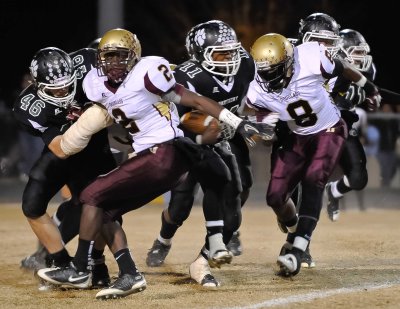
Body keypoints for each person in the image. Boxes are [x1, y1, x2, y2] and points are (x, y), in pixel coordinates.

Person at [36, 28, 272, 299]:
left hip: (164, 153)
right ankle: (129, 274)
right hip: (152, 158)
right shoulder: (94, 83)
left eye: (120, 56)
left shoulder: (148, 72)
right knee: (104, 211)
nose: (113, 62)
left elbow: (193, 99)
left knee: (90, 194)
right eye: (108, 56)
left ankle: (79, 269)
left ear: (134, 57)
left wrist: (238, 122)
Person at [246, 32, 380, 277]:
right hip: (296, 136)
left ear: (288, 60)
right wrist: (261, 125)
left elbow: (343, 68)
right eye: (263, 70)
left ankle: (297, 250)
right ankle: (294, 227)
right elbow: (255, 114)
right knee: (275, 197)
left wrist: (368, 87)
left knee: (314, 179)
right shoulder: (255, 87)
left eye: (274, 69)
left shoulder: (310, 56)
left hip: (328, 128)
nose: (268, 76)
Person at [145, 20, 256, 287]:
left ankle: (215, 245)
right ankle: (164, 239)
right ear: (200, 55)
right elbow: (177, 122)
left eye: (231, 51)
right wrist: (204, 132)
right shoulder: (186, 76)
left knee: (240, 190)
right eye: (220, 53)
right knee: (181, 204)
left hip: (228, 135)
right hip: (190, 143)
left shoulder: (246, 64)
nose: (229, 58)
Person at [13, 46, 118, 288]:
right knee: (31, 204)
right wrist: (90, 120)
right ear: (37, 85)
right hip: (62, 150)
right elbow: (60, 148)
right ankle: (59, 262)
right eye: (54, 88)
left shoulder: (88, 62)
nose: (62, 90)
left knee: (104, 209)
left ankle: (96, 263)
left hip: (95, 149)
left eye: (66, 84)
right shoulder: (28, 105)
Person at [324, 27, 380, 220]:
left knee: (359, 179)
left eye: (364, 52)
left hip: (344, 122)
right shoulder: (329, 68)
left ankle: (334, 191)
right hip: (318, 124)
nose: (362, 57)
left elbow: (362, 93)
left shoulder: (368, 70)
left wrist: (373, 96)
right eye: (357, 53)